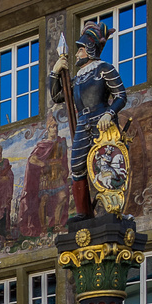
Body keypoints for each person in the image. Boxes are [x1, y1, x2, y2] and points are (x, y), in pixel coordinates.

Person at [48, 20, 127, 221]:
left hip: (102, 121)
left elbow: (121, 95)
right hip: (83, 123)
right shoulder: (78, 78)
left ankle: (113, 208)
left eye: (81, 49)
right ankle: (83, 212)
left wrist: (110, 113)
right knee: (76, 167)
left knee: (106, 163)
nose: (77, 54)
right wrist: (55, 72)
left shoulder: (104, 69)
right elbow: (58, 96)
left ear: (90, 49)